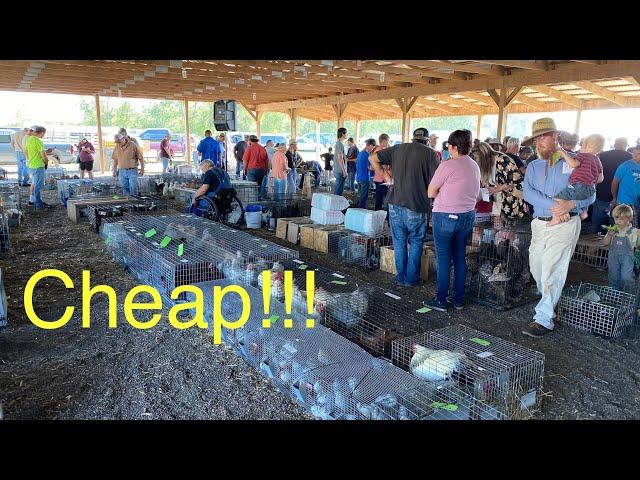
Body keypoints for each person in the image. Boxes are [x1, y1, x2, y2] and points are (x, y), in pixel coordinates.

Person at [522, 117, 595, 338]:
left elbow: (589, 193)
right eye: (536, 139)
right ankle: (549, 301)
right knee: (537, 267)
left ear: (556, 137)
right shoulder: (533, 166)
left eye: (543, 137)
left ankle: (544, 319)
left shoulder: (576, 163)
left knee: (552, 269)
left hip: (566, 224)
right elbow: (528, 193)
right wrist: (556, 206)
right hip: (540, 223)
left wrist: (571, 205)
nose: (539, 143)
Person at [369, 127, 440, 288]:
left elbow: (372, 158)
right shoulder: (430, 154)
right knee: (415, 241)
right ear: (427, 140)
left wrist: (387, 176)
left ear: (413, 138)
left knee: (399, 241)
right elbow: (436, 181)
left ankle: (401, 277)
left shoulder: (399, 148)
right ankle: (411, 279)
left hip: (394, 203)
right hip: (417, 204)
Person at [425, 129, 480, 311]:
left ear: (454, 147)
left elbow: (431, 192)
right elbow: (477, 194)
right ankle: (458, 299)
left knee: (443, 260)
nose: (448, 148)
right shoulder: (474, 165)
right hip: (467, 216)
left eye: (449, 145)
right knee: (459, 258)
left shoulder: (447, 165)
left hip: (445, 216)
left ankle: (441, 299)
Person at [547, 134, 605, 226]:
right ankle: (584, 211)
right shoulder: (597, 160)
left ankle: (557, 218)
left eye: (582, 145)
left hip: (577, 185)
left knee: (557, 197)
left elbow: (574, 164)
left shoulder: (582, 156)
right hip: (590, 188)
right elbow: (600, 178)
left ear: (586, 146)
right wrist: (589, 179)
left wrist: (563, 153)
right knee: (583, 196)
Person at [470, 141, 527, 220]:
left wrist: (496, 189)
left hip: (513, 200)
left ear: (484, 157)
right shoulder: (486, 165)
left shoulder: (503, 160)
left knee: (510, 227)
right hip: (498, 202)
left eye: (477, 160)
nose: (477, 163)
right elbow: (487, 187)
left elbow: (515, 180)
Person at [594, 137, 633, 234]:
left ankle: (595, 244)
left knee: (597, 223)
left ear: (615, 144)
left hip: (602, 193)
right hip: (622, 197)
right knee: (617, 225)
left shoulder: (602, 155)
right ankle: (611, 245)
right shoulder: (631, 158)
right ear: (626, 145)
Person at [602, 204, 639, 291]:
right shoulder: (613, 231)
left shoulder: (633, 231)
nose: (618, 221)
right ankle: (614, 294)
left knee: (626, 276)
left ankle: (629, 293)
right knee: (613, 276)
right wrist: (609, 235)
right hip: (613, 258)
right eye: (616, 218)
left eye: (621, 219)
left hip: (627, 259)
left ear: (630, 219)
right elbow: (605, 243)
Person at [23, 126, 51, 209]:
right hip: (38, 165)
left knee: (35, 184)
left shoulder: (29, 139)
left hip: (31, 165)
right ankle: (38, 204)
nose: (44, 135)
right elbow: (43, 155)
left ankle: (36, 202)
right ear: (41, 133)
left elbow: (26, 151)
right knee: (38, 186)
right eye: (44, 134)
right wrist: (46, 162)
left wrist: (30, 159)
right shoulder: (38, 141)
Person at [611, 145, 640, 227]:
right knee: (629, 226)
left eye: (638, 154)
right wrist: (614, 197)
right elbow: (615, 182)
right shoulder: (626, 165)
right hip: (625, 200)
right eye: (633, 153)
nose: (634, 156)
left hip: (637, 201)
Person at [372, 133, 391, 211]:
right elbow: (382, 164)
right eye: (388, 140)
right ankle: (380, 213)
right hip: (381, 178)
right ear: (383, 141)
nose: (388, 142)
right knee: (383, 198)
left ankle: (379, 213)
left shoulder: (380, 150)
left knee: (380, 198)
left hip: (380, 177)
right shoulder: (380, 150)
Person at [356, 139, 376, 208]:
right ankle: (361, 210)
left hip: (358, 177)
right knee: (363, 197)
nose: (372, 149)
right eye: (373, 147)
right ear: (370, 145)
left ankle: (359, 207)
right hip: (365, 178)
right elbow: (369, 168)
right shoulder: (367, 155)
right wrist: (377, 168)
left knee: (361, 195)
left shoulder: (360, 153)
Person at [333, 127, 348, 195]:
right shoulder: (339, 144)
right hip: (340, 171)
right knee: (338, 192)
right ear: (342, 134)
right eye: (346, 133)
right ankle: (335, 205)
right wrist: (344, 171)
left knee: (339, 190)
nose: (346, 135)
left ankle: (337, 204)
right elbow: (340, 159)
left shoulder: (339, 144)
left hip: (338, 170)